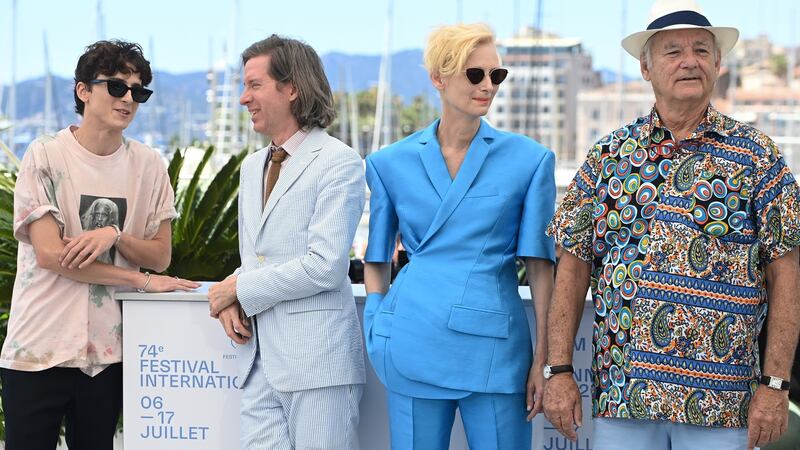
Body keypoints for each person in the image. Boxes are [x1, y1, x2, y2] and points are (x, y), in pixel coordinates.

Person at [542, 1, 800, 449]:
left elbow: (787, 272)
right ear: (646, 68)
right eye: (672, 51)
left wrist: (776, 385)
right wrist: (560, 371)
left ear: (718, 64)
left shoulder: (760, 157)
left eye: (702, 50)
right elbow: (572, 266)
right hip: (624, 400)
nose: (689, 61)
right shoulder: (608, 156)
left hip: (724, 404)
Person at [363, 23, 556, 449]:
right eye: (475, 75)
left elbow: (541, 267)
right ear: (438, 78)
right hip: (411, 338)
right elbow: (376, 259)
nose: (488, 86)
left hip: (496, 350)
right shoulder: (388, 163)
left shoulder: (530, 160)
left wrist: (543, 358)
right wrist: (376, 324)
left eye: (496, 75)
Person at [0, 40, 198, 450]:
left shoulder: (149, 165)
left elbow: (161, 256)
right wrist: (138, 280)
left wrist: (117, 235)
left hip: (108, 354)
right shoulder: (46, 156)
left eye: (138, 91)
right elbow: (53, 256)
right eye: (116, 86)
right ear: (83, 90)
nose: (128, 99)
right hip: (39, 347)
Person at [207, 35, 366, 450]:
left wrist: (239, 289)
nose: (244, 98)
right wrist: (233, 295)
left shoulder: (339, 161)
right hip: (260, 363)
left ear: (291, 88)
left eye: (254, 85)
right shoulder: (251, 167)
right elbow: (258, 259)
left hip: (319, 365)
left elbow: (325, 265)